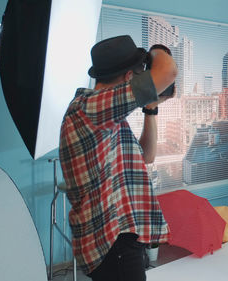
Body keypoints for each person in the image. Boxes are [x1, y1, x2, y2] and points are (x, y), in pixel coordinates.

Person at [59, 35, 177, 281]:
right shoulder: (89, 108)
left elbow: (147, 155)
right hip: (111, 241)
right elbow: (168, 70)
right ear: (127, 77)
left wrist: (150, 109)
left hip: (116, 240)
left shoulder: (106, 117)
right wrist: (155, 52)